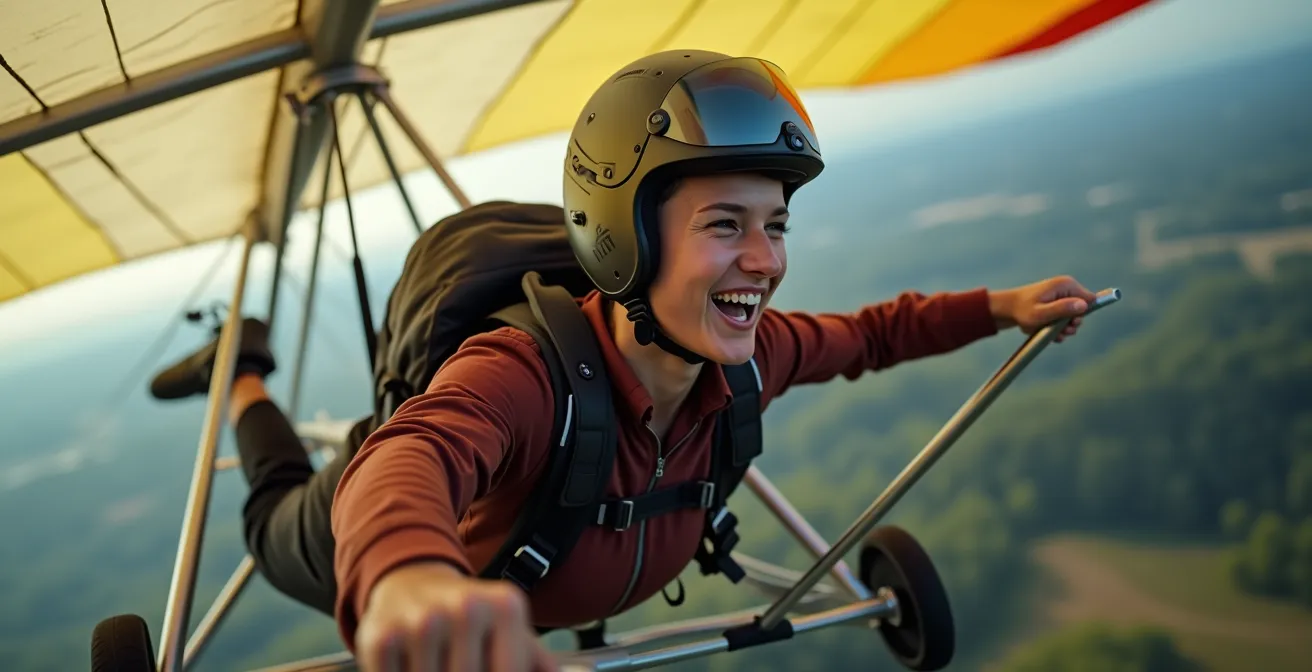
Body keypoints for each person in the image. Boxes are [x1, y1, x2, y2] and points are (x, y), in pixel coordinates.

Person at [149, 49, 1095, 672]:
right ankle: (241, 371)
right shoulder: (522, 375)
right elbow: (412, 459)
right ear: (626, 244)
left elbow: (874, 334)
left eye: (775, 225)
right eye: (725, 225)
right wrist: (405, 577)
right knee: (271, 507)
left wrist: (1001, 308)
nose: (764, 260)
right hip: (360, 521)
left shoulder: (750, 360)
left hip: (529, 558)